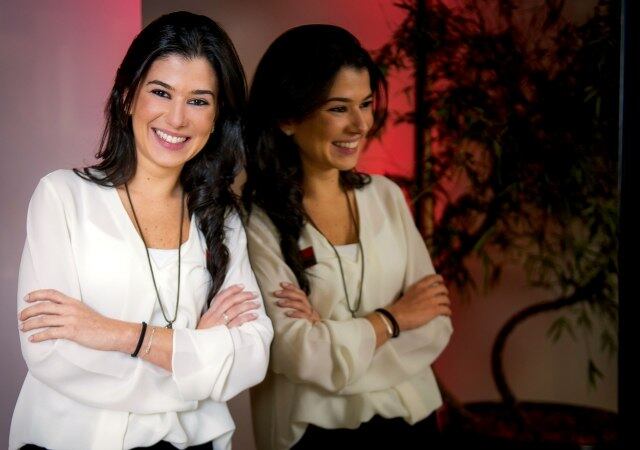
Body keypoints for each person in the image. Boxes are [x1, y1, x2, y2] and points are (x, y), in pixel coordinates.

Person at [10, 11, 272, 450]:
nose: (177, 118)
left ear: (216, 117)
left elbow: (251, 355)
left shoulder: (222, 219)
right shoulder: (62, 197)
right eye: (161, 92)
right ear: (129, 95)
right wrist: (195, 360)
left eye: (198, 101)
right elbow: (48, 352)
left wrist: (116, 334)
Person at [242, 24, 453, 450]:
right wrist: (393, 319)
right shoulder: (258, 222)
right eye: (339, 108)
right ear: (288, 117)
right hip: (313, 434)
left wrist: (332, 339)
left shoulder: (386, 197)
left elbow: (434, 322)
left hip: (412, 421)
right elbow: (298, 352)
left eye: (366, 104)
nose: (361, 124)